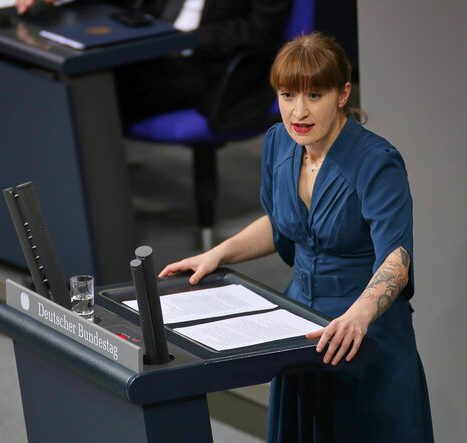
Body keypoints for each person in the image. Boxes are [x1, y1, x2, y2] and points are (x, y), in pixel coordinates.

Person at [159, 32, 434, 443]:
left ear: (342, 94)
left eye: (314, 96)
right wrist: (216, 254)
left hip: (363, 334)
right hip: (299, 325)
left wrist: (358, 316)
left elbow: (396, 256)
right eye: (287, 96)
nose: (298, 112)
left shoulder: (378, 163)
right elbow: (282, 223)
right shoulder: (278, 143)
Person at [16, 0, 292, 127]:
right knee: (71, 75)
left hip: (210, 67)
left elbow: (260, 29)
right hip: (149, 50)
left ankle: (91, 201)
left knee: (97, 90)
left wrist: (184, 40)